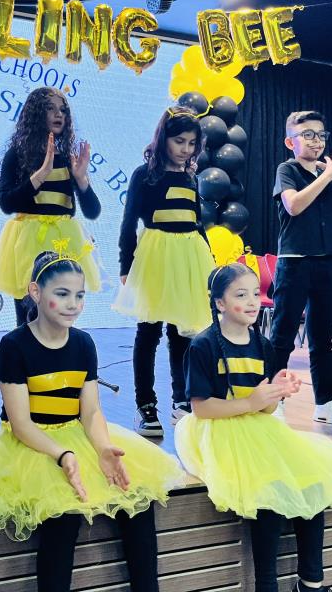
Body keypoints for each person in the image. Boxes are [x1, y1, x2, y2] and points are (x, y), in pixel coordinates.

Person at [0, 251, 184, 592]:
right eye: (62, 294)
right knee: (63, 514)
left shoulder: (84, 343)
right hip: (34, 445)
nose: (73, 304)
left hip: (76, 435)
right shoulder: (15, 345)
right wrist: (61, 455)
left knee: (136, 499)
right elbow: (21, 424)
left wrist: (102, 448)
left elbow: (90, 412)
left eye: (79, 295)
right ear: (35, 292)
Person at [175, 263, 332, 592]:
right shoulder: (203, 345)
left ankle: (311, 582)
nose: (252, 301)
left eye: (254, 293)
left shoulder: (262, 344)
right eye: (240, 295)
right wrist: (252, 402)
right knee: (267, 492)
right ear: (219, 303)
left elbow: (267, 408)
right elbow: (201, 408)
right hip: (216, 430)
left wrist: (275, 390)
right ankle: (266, 584)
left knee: (311, 483)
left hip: (256, 426)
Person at [113, 107, 215, 437]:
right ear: (163, 139)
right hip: (157, 256)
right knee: (148, 333)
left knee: (182, 333)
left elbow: (197, 223)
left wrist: (210, 265)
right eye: (179, 141)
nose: (185, 149)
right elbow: (128, 223)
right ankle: (145, 405)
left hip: (189, 257)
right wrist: (126, 265)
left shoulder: (190, 176)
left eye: (191, 143)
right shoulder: (144, 175)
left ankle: (181, 399)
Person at [270, 110, 332, 423]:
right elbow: (293, 205)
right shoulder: (287, 169)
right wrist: (327, 174)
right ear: (290, 142)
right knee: (282, 336)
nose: (316, 141)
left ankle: (325, 403)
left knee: (322, 338)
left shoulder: (329, 173)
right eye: (307, 135)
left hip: (324, 263)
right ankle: (274, 399)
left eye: (321, 135)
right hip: (294, 263)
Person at [0, 88, 102, 326]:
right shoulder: (17, 155)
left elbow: (92, 211)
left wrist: (81, 179)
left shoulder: (68, 158)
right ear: (36, 113)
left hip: (65, 240)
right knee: (29, 315)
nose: (59, 114)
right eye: (51, 108)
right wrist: (41, 175)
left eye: (63, 110)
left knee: (61, 313)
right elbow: (7, 203)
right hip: (29, 240)